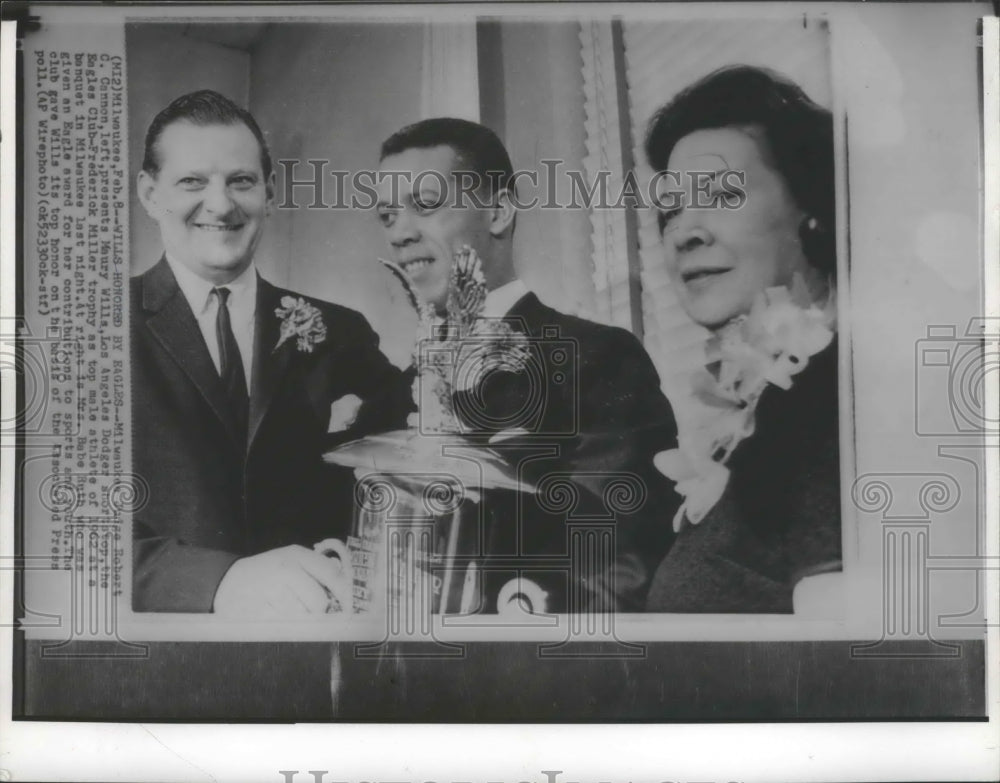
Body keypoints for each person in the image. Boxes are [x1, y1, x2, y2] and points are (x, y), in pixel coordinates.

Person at [373, 117, 679, 612]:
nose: (400, 234)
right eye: (386, 217)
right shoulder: (398, 390)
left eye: (425, 205)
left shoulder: (596, 358)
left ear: (498, 211)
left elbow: (617, 560)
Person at [131, 90, 409, 614]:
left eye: (241, 181)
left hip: (314, 638)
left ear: (269, 192)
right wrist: (220, 582)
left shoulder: (337, 329)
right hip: (167, 654)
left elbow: (409, 436)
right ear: (150, 194)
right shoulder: (94, 329)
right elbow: (59, 530)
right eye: (192, 181)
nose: (221, 204)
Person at [642, 65, 842, 613]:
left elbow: (851, 673)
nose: (685, 232)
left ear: (814, 210)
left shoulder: (839, 398)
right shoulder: (773, 408)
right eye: (670, 209)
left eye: (722, 195)